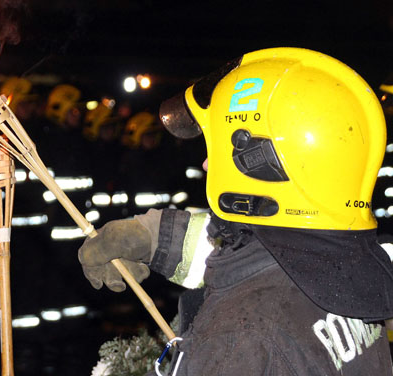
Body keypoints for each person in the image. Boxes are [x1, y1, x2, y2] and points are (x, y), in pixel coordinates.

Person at [78, 47, 393, 375]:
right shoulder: (357, 268)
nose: (204, 163)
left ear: (260, 164)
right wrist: (154, 236)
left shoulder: (239, 343)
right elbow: (265, 259)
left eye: (217, 149)